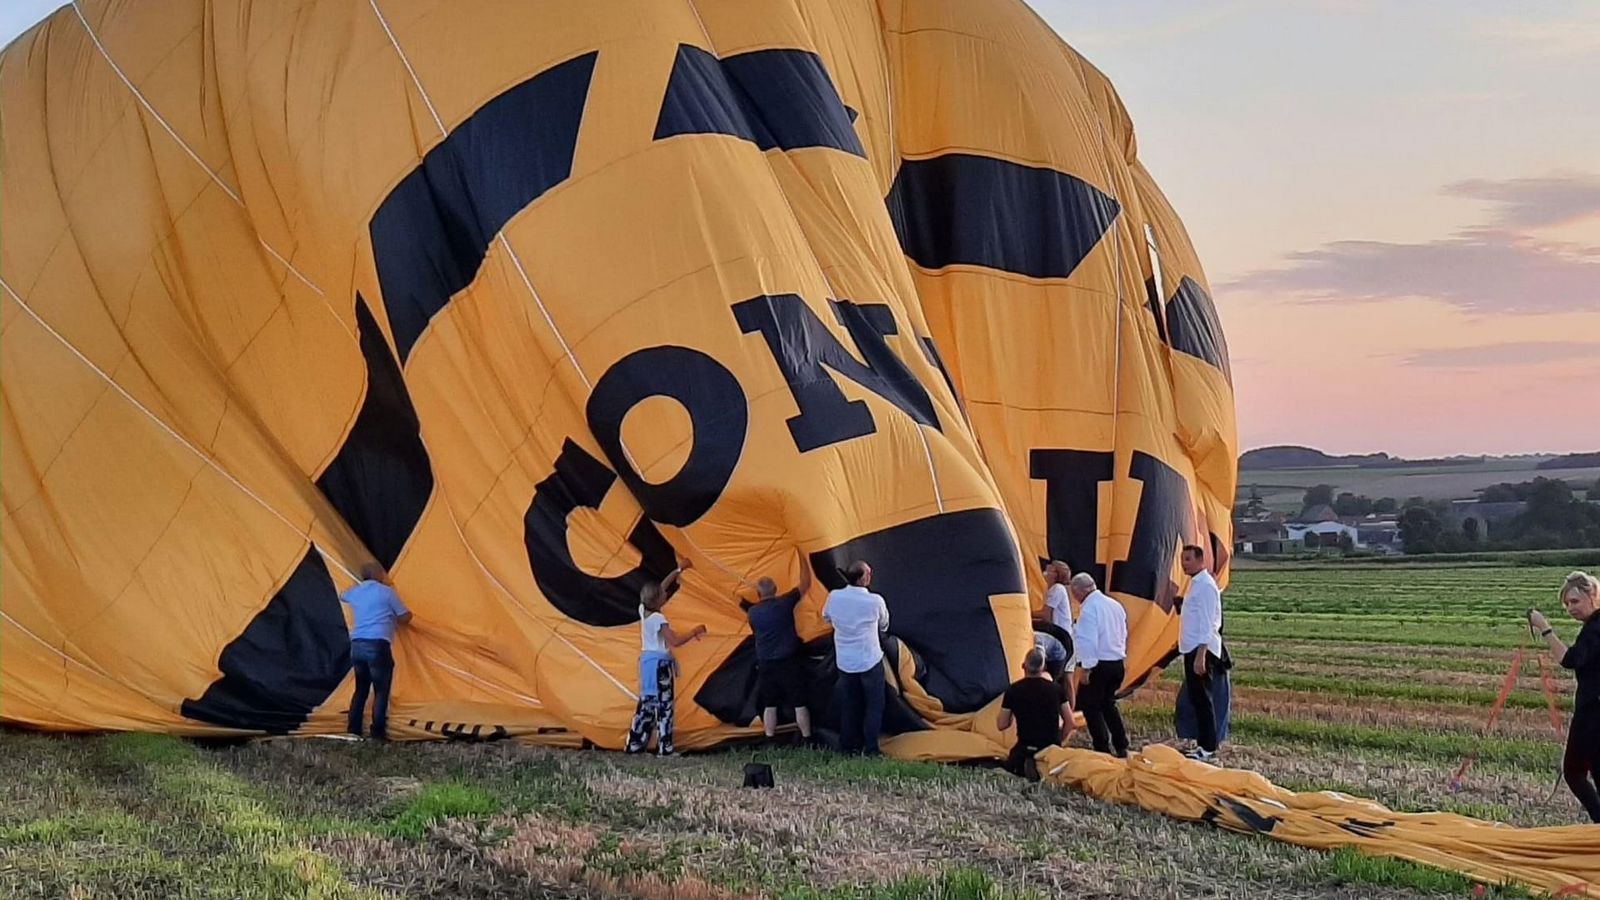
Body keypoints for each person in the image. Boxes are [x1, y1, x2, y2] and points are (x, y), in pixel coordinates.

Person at [1528, 571, 1600, 823]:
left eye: (1575, 602)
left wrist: (1544, 628)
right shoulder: (1592, 627)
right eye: (1567, 604)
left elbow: (1570, 660)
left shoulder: (1596, 628)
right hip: (1589, 712)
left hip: (1595, 714)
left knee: (1579, 771)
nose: (1571, 608)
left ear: (1592, 596)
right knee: (1573, 771)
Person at [625, 558, 707, 756]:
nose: (667, 594)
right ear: (659, 600)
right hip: (660, 665)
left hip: (646, 664)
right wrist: (694, 631)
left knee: (646, 705)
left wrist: (679, 569)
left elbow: (662, 586)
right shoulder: (659, 619)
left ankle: (634, 744)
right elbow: (675, 641)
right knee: (665, 707)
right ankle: (665, 748)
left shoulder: (644, 610)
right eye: (664, 595)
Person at [743, 549, 815, 745]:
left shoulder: (753, 613)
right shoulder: (785, 603)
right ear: (775, 589)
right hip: (789, 660)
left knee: (770, 703)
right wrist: (802, 557)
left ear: (758, 594)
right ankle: (807, 738)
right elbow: (805, 584)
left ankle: (769, 738)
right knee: (799, 702)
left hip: (766, 663)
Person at [822, 560, 890, 755]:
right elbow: (884, 624)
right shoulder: (875, 601)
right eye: (868, 573)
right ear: (863, 578)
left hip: (845, 661)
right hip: (870, 660)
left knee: (850, 704)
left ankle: (847, 745)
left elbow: (826, 617)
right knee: (874, 705)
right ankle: (871, 748)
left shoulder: (834, 597)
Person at [341, 562, 412, 741]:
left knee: (361, 689)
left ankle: (353, 729)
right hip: (377, 644)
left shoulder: (355, 592)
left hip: (357, 645)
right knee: (381, 690)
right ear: (376, 574)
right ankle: (377, 732)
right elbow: (405, 616)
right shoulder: (386, 592)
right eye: (381, 572)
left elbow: (343, 595)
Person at [1071, 572, 1129, 758]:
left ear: (1080, 591)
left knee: (1090, 706)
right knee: (1108, 704)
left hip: (1099, 664)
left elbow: (1087, 641)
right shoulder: (1114, 605)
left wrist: (1086, 667)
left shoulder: (1089, 609)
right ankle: (1121, 744)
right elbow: (1123, 632)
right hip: (1117, 662)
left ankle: (1102, 747)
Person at [1177, 544, 1225, 761]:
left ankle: (1207, 747)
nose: (1184, 563)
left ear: (1200, 560)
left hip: (1201, 648)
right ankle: (1203, 742)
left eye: (1188, 559)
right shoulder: (1195, 585)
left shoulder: (1205, 586)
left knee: (1203, 699)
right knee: (1197, 698)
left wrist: (1201, 655)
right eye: (1182, 559)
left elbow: (1208, 623)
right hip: (1193, 647)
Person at [997, 648, 1073, 780]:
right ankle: (1041, 764)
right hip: (1050, 747)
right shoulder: (1056, 689)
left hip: (1025, 746)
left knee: (1009, 764)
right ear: (1043, 668)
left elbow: (1001, 725)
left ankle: (1026, 764)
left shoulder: (1013, 690)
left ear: (1023, 666)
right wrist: (1061, 741)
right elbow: (1070, 721)